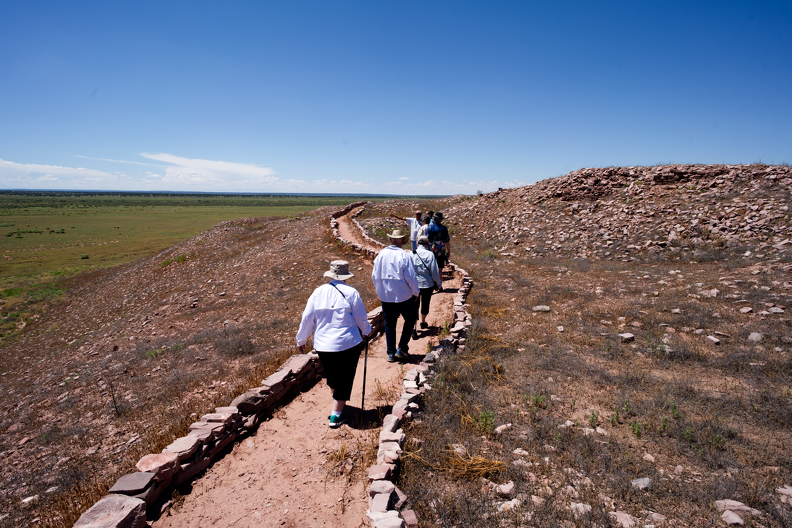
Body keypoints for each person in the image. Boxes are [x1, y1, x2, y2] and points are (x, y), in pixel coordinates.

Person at [296, 260, 372, 428]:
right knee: (345, 377)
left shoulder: (318, 292)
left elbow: (308, 317)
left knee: (332, 376)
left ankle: (338, 400)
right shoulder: (351, 292)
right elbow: (360, 317)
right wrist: (366, 330)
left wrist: (301, 339)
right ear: (346, 276)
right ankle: (336, 416)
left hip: (323, 344)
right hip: (348, 343)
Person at [371, 229, 420, 362]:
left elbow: (374, 276)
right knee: (410, 319)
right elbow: (411, 277)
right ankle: (402, 348)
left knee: (390, 323)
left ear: (391, 239)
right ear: (402, 241)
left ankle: (391, 353)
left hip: (386, 296)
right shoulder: (404, 255)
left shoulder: (380, 255)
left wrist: (379, 291)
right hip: (403, 295)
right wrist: (415, 292)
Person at [411, 235, 442, 338]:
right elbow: (434, 271)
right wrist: (438, 283)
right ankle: (423, 322)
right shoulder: (430, 254)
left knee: (414, 306)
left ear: (418, 244)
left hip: (414, 284)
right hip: (427, 284)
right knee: (425, 303)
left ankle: (413, 329)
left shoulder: (411, 254)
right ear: (427, 244)